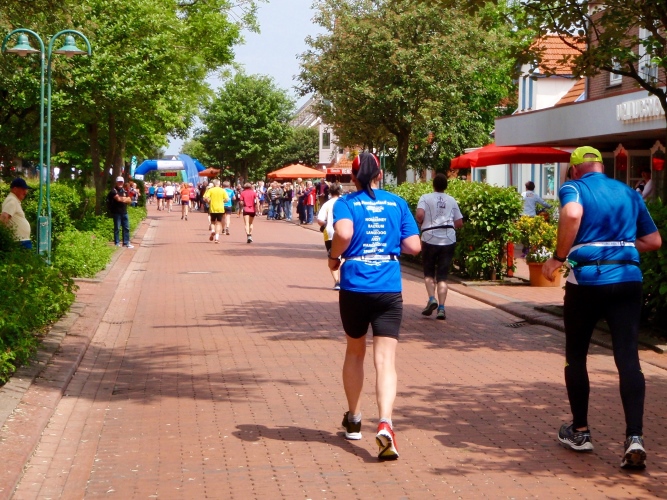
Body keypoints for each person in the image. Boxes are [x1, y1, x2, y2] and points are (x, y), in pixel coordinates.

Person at [542, 146, 661, 470]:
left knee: (576, 354)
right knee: (628, 358)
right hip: (628, 279)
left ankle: (580, 432)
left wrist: (559, 257)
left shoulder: (575, 188)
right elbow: (653, 241)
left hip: (588, 281)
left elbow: (571, 214)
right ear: (601, 167)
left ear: (575, 170)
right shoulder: (629, 193)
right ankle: (634, 437)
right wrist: (619, 248)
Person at [328, 152, 421, 460]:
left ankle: (354, 419)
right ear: (380, 175)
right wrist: (391, 242)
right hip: (388, 287)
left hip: (355, 285)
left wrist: (334, 257)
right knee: (386, 360)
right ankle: (385, 423)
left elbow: (343, 233)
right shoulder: (397, 203)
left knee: (355, 351)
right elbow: (414, 246)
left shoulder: (346, 203)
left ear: (353, 177)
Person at [415, 173, 464, 320]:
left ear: (433, 185)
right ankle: (441, 308)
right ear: (446, 186)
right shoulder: (452, 200)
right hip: (448, 239)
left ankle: (432, 299)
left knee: (429, 273)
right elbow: (459, 222)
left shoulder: (425, 198)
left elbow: (419, 214)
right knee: (442, 276)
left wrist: (422, 222)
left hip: (429, 238)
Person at [317, 182, 344, 290]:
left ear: (330, 192)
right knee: (345, 256)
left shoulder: (327, 204)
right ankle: (344, 279)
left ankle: (337, 281)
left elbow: (320, 220)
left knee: (332, 256)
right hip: (344, 232)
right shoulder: (345, 202)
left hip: (329, 233)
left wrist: (326, 224)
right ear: (340, 191)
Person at [1, 177, 32, 249]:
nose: (25, 192)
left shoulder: (14, 200)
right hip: (19, 242)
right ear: (15, 189)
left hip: (21, 241)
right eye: (23, 189)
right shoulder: (12, 201)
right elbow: (4, 218)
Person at [108, 176, 134, 248]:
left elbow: (129, 200)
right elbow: (118, 199)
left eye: (121, 182)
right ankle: (117, 243)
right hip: (116, 212)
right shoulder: (113, 191)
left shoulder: (125, 191)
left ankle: (126, 243)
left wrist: (123, 199)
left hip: (124, 212)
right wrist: (125, 199)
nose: (120, 183)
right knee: (117, 228)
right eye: (119, 182)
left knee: (126, 228)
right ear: (116, 182)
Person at [203, 179, 229, 244]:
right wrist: (222, 201)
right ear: (219, 184)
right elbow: (227, 199)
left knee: (212, 222)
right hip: (220, 208)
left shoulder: (211, 190)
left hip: (213, 208)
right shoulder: (222, 190)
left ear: (214, 184)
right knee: (218, 223)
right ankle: (217, 238)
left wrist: (209, 202)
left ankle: (212, 230)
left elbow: (205, 198)